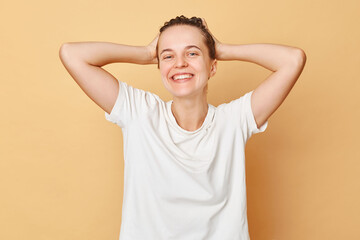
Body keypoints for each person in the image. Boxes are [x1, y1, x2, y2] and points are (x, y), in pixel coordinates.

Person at [59, 15, 306, 240]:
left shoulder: (234, 121)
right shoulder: (140, 113)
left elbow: (293, 60)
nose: (179, 63)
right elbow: (71, 54)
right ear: (159, 67)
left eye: (192, 53)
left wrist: (221, 49)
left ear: (213, 66)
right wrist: (146, 52)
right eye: (167, 56)